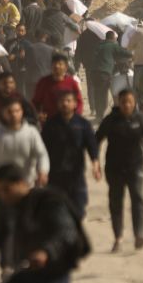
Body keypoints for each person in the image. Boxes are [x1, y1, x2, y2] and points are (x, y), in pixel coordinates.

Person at [0, 99, 50, 271]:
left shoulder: (31, 133)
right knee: (4, 228)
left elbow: (42, 155)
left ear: (22, 112)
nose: (14, 114)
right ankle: (6, 264)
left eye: (17, 111)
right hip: (2, 191)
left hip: (26, 189)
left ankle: (22, 262)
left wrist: (43, 171)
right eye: (10, 111)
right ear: (3, 114)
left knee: (25, 227)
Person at [96, 89, 143, 252]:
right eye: (123, 101)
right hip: (114, 168)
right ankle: (118, 238)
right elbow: (97, 140)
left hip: (135, 166)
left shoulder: (140, 118)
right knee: (116, 202)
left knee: (137, 199)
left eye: (129, 102)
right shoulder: (111, 120)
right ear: (119, 102)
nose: (126, 105)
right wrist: (95, 161)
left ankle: (139, 235)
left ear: (134, 103)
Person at [41, 90, 101, 219]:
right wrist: (41, 170)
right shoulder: (50, 125)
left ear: (75, 104)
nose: (65, 103)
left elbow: (92, 145)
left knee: (78, 208)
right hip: (55, 173)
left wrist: (95, 164)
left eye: (68, 101)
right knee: (56, 209)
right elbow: (42, 149)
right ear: (57, 104)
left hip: (76, 173)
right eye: (62, 101)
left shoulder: (83, 124)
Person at [90, 30, 132, 122]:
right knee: (103, 94)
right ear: (113, 38)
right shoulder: (113, 45)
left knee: (97, 93)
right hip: (104, 72)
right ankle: (101, 115)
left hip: (93, 72)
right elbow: (125, 53)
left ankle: (98, 114)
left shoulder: (99, 45)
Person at [33, 54, 84, 123]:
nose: (57, 66)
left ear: (66, 67)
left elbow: (79, 102)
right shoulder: (43, 82)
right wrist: (39, 114)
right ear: (51, 66)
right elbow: (35, 102)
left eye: (60, 64)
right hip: (49, 122)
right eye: (55, 64)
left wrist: (76, 116)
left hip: (68, 122)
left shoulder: (72, 83)